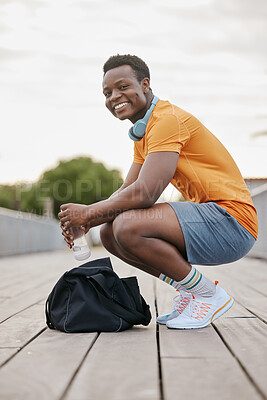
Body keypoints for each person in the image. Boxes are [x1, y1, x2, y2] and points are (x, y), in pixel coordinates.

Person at [58, 54, 258, 329]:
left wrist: (89, 213)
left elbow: (146, 193)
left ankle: (208, 294)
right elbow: (126, 192)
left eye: (123, 86)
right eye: (107, 92)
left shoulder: (166, 120)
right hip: (212, 221)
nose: (114, 96)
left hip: (231, 223)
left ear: (145, 84)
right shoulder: (145, 134)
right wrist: (88, 222)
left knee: (128, 225)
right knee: (109, 234)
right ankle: (190, 290)